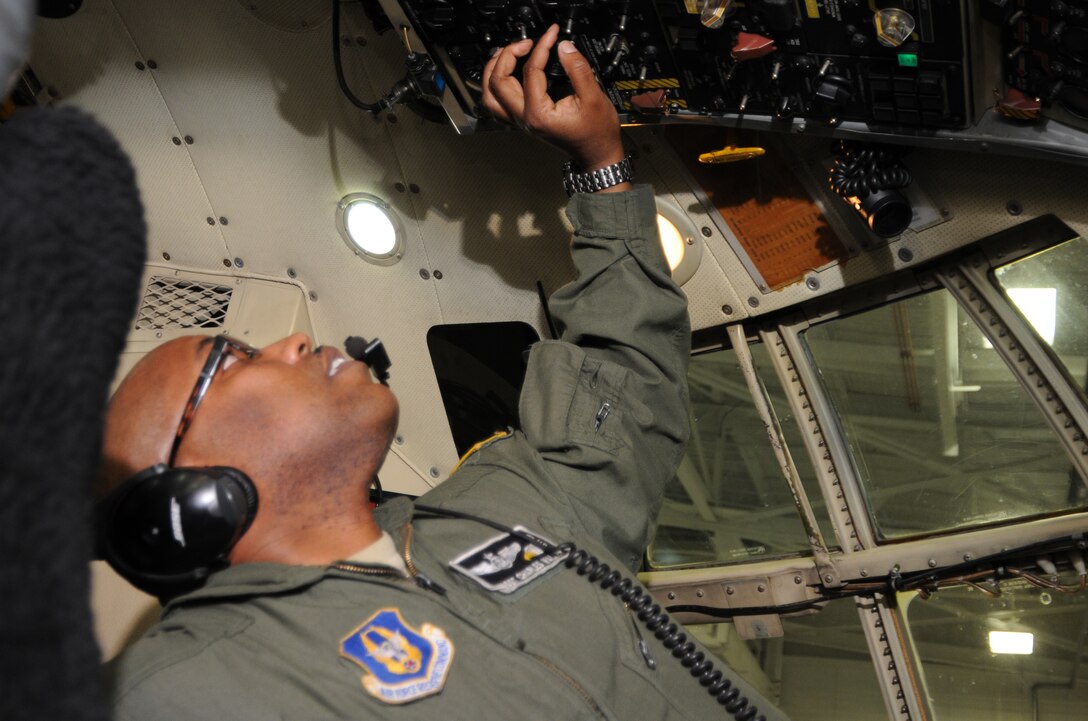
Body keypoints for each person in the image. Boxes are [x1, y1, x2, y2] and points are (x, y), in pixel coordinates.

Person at [101, 25, 789, 721]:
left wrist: (600, 162)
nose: (290, 343)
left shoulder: (498, 508)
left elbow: (620, 372)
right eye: (232, 360)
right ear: (194, 502)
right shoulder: (186, 685)